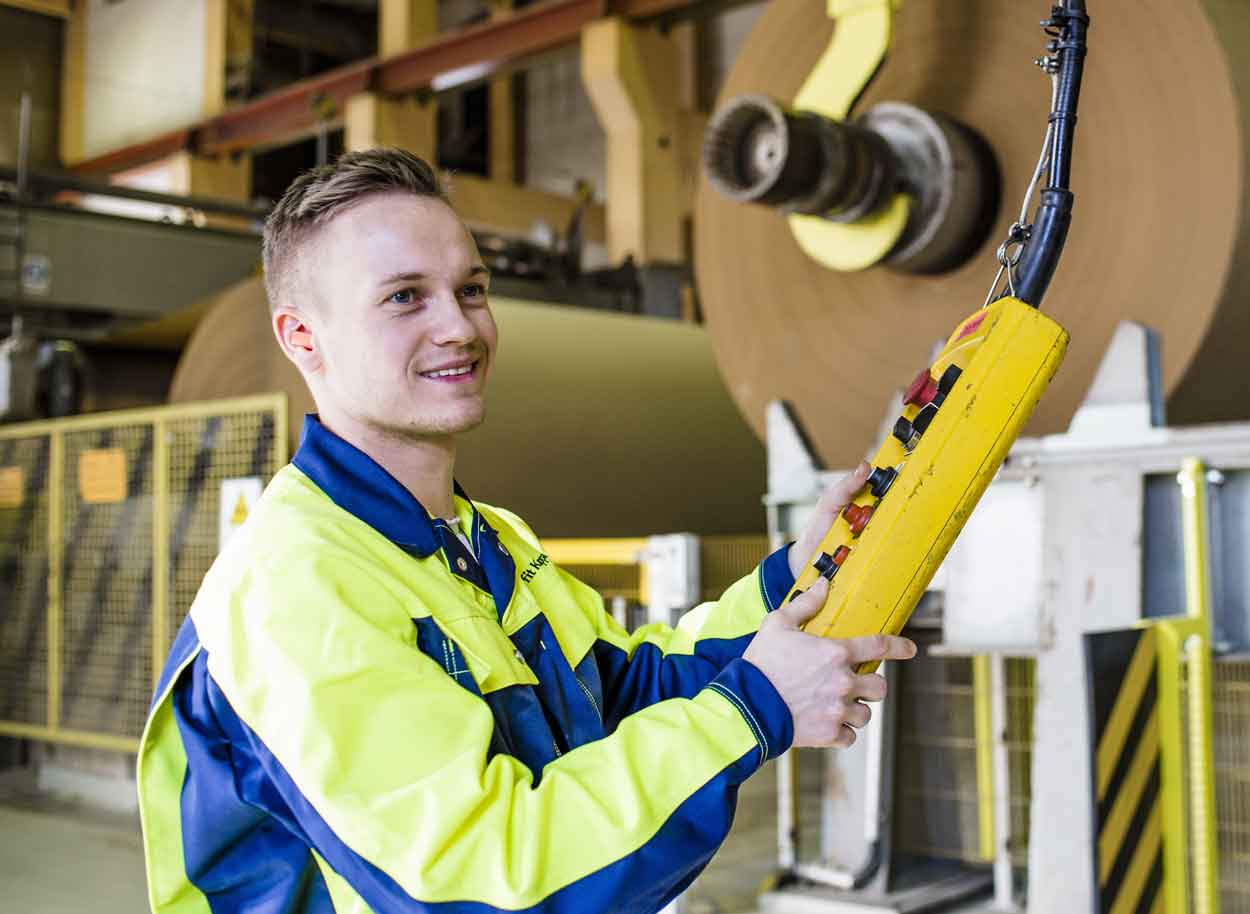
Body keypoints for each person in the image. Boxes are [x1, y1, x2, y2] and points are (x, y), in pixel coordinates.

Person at [136, 147, 916, 914]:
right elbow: (479, 882)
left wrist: (798, 579)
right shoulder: (292, 586)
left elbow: (630, 689)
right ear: (301, 337)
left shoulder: (484, 538)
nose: (460, 328)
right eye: (406, 297)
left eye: (470, 289)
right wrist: (753, 708)